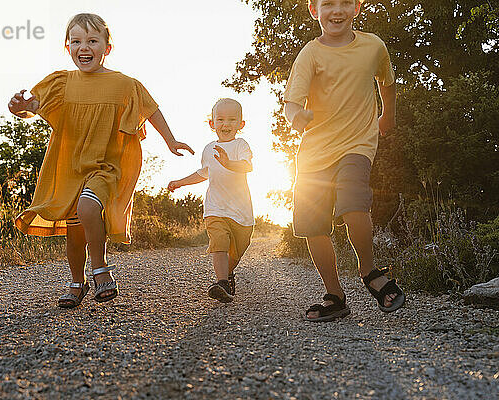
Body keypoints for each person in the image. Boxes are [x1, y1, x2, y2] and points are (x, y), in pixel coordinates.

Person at [8, 13, 193, 308]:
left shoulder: (123, 84)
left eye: (92, 41)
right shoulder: (61, 82)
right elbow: (34, 106)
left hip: (106, 166)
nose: (84, 47)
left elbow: (151, 109)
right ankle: (76, 282)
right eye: (76, 41)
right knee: (74, 229)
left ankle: (101, 268)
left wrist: (170, 140)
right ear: (67, 47)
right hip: (69, 166)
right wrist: (19, 108)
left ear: (107, 48)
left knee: (88, 207)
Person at [283, 0, 405, 321]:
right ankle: (335, 295)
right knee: (312, 225)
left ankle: (368, 269)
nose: (336, 10)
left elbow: (387, 83)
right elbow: (291, 103)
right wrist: (298, 117)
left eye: (345, 3)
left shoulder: (373, 46)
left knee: (353, 203)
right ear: (314, 10)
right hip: (314, 154)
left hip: (357, 144)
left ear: (356, 8)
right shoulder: (310, 53)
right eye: (328, 4)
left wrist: (386, 117)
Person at [168, 98, 254, 303]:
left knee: (238, 250)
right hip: (215, 208)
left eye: (232, 119)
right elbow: (203, 173)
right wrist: (180, 182)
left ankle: (227, 275)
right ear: (212, 123)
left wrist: (228, 163)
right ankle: (221, 283)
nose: (226, 124)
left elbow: (246, 166)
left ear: (240, 124)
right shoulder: (208, 149)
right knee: (219, 242)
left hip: (241, 213)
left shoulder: (241, 145)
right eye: (221, 119)